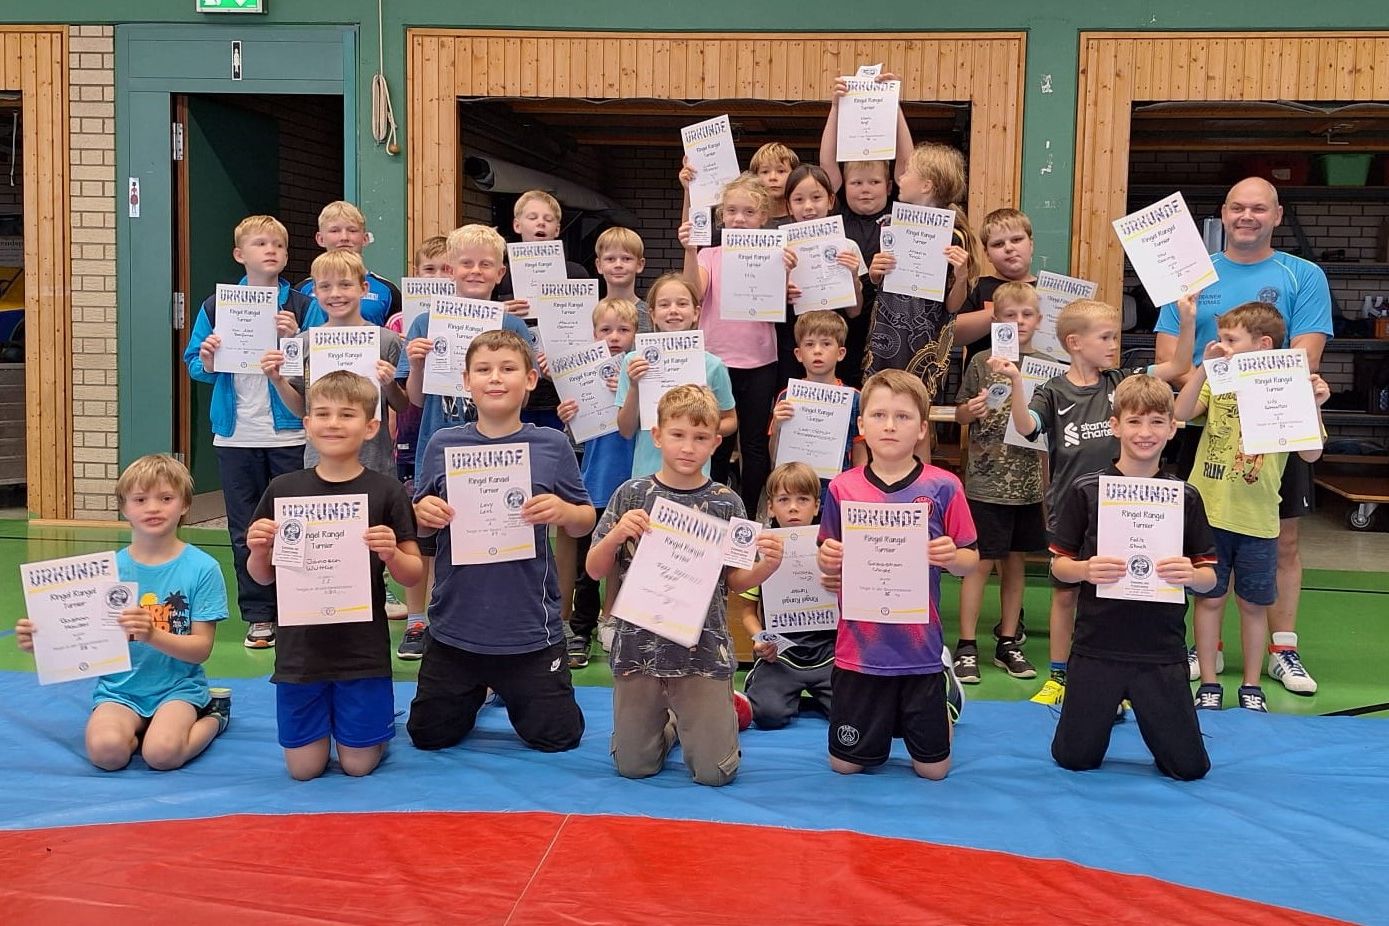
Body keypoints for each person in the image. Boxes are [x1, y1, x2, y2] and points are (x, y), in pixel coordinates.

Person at [1153, 177, 1334, 695]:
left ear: (1277, 215)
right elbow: (1171, 358)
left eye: (1259, 208)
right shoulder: (1191, 276)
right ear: (1224, 213)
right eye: (1237, 207)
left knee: (1282, 539)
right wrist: (1213, 381)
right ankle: (1203, 647)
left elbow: (1305, 356)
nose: (1247, 216)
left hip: (1277, 422)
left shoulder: (1304, 275)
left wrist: (1269, 392)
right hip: (1208, 422)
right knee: (1201, 542)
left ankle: (1282, 648)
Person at [991, 295, 1196, 706]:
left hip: (1123, 509)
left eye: (1115, 337)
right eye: (1105, 337)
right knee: (1066, 593)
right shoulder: (1052, 390)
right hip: (1070, 509)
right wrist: (1015, 383)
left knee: (1116, 594)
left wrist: (1187, 320)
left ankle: (1116, 678)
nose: (1114, 345)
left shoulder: (1119, 381)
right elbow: (1027, 428)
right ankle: (1058, 676)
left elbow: (1176, 366)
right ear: (1075, 342)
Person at [586, 384, 784, 785]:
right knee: (633, 767)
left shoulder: (727, 502)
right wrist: (615, 535)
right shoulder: (631, 494)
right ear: (657, 435)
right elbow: (593, 569)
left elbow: (734, 581)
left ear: (715, 442)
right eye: (677, 435)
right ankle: (674, 725)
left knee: (715, 774)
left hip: (701, 653)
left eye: (700, 437)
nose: (688, 447)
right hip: (638, 648)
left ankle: (706, 716)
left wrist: (767, 567)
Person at [407, 329, 594, 754]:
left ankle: (505, 688)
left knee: (558, 738)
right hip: (456, 628)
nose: (495, 378)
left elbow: (584, 521)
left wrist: (564, 512)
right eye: (483, 370)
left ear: (529, 379)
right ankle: (479, 689)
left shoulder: (551, 444)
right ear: (466, 381)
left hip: (529, 629)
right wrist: (422, 514)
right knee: (429, 736)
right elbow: (420, 522)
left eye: (508, 368)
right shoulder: (442, 444)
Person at [246, 372, 424, 779]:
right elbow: (263, 577)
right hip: (300, 654)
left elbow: (413, 575)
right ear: (307, 424)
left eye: (347, 414)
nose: (334, 423)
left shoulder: (386, 491)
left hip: (360, 652)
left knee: (358, 766)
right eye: (323, 414)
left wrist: (392, 553)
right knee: (303, 770)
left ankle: (367, 732)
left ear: (371, 427)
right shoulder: (282, 490)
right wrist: (259, 550)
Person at [1049, 375, 1218, 781]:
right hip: (1097, 645)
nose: (1145, 432)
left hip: (1160, 650)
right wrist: (1085, 569)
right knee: (1074, 758)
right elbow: (1058, 566)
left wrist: (1191, 575)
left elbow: (1210, 578)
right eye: (1135, 421)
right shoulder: (1087, 490)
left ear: (1172, 428)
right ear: (1115, 426)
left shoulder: (1185, 496)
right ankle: (1105, 707)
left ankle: (1137, 708)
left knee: (1189, 768)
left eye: (1157, 422)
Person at [14, 455, 231, 771]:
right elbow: (81, 638)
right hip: (119, 690)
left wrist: (152, 634)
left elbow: (201, 649)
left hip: (178, 689)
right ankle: (141, 730)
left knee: (162, 755)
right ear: (124, 508)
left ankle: (215, 715)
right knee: (106, 754)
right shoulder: (105, 572)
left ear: (185, 504)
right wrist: (44, 641)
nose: (153, 508)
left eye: (166, 498)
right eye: (140, 499)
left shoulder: (202, 569)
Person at [816, 369, 980, 780]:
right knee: (845, 765)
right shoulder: (842, 488)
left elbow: (971, 560)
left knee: (933, 771)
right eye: (879, 415)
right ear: (861, 425)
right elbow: (827, 555)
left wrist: (951, 556)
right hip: (859, 650)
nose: (890, 425)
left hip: (919, 649)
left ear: (922, 428)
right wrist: (828, 560)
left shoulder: (945, 486)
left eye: (903, 417)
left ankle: (945, 696)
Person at [1174, 302, 1330, 712]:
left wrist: (1314, 403)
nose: (1221, 345)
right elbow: (1180, 412)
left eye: (1230, 340)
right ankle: (1209, 683)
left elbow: (1311, 454)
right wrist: (1204, 368)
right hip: (1209, 513)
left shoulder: (1292, 387)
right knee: (1208, 599)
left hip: (1258, 518)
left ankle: (1251, 685)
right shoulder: (1218, 380)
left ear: (1262, 345)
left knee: (1253, 604)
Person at [394, 224, 535, 660]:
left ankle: (478, 621)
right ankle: (417, 620)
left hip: (496, 454)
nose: (475, 271)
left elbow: (524, 394)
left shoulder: (512, 325)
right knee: (427, 536)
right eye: (466, 263)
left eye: (485, 264)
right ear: (450, 269)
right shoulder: (425, 322)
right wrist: (417, 363)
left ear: (500, 273)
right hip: (438, 447)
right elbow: (415, 399)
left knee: (487, 536)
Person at [184, 214, 311, 650]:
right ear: (240, 254)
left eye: (278, 244)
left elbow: (318, 362)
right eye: (260, 244)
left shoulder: (301, 306)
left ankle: (297, 609)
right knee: (246, 529)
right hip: (236, 435)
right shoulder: (215, 306)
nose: (270, 250)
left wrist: (296, 338)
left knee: (295, 526)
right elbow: (195, 364)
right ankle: (259, 615)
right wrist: (208, 357)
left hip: (289, 434)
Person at [677, 171, 790, 517]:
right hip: (715, 362)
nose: (739, 219)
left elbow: (792, 298)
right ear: (721, 215)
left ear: (764, 217)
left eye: (749, 212)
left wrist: (788, 272)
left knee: (754, 445)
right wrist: (691, 249)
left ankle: (750, 516)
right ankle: (711, 514)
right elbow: (693, 292)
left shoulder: (777, 253)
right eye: (731, 211)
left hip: (759, 361)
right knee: (715, 441)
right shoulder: (709, 255)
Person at [952, 281, 1046, 684]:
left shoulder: (1046, 367)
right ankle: (966, 645)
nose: (1019, 321)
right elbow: (959, 414)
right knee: (978, 563)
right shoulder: (980, 362)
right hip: (985, 482)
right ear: (996, 321)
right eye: (1010, 315)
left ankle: (1008, 641)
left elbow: (1049, 430)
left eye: (1026, 315)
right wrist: (970, 411)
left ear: (1038, 320)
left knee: (1015, 563)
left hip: (1027, 486)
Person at [268, 250, 408, 480]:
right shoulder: (304, 342)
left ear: (363, 288)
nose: (335, 294)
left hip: (375, 463)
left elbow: (401, 405)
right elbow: (302, 410)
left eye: (345, 285)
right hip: (320, 463)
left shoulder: (386, 340)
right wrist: (278, 381)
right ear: (315, 292)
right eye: (325, 286)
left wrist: (389, 384)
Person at [556, 296, 639, 668]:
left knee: (628, 561)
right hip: (596, 480)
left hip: (634, 481)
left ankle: (618, 622)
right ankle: (581, 629)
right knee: (588, 565)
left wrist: (630, 389)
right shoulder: (582, 375)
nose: (615, 336)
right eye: (606, 329)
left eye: (624, 329)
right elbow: (575, 438)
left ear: (636, 334)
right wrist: (568, 416)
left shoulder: (644, 373)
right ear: (593, 334)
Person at [864, 143, 979, 406]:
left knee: (915, 410)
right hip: (885, 335)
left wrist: (961, 276)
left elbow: (952, 307)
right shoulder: (893, 224)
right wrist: (875, 273)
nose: (900, 178)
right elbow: (881, 285)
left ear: (926, 186)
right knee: (879, 403)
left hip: (923, 344)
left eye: (906, 172)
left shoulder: (953, 236)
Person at [820, 70, 915, 386]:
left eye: (874, 182)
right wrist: (836, 107)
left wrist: (893, 105)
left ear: (888, 186)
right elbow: (827, 166)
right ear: (842, 187)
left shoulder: (899, 211)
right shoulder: (837, 214)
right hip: (846, 317)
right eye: (856, 183)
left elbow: (908, 165)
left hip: (889, 317)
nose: (865, 189)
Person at [732, 461, 833, 729]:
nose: (793, 507)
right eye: (784, 499)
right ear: (770, 507)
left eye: (803, 499)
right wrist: (760, 639)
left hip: (828, 653)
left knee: (850, 714)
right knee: (767, 715)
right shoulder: (761, 552)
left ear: (817, 506)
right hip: (780, 655)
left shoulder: (830, 550)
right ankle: (764, 687)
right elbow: (747, 612)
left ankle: (809, 698)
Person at [385, 234, 450, 628]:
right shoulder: (404, 323)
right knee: (418, 524)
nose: (439, 277)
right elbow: (408, 395)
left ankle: (442, 613)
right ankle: (417, 618)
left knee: (448, 528)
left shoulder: (477, 319)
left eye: (447, 270)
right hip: (415, 433)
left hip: (458, 433)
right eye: (431, 270)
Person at [615, 273, 737, 480]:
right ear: (652, 314)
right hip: (647, 474)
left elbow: (731, 420)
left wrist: (701, 426)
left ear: (696, 313)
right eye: (664, 305)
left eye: (682, 304)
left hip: (695, 476)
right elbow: (626, 430)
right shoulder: (633, 362)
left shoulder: (713, 365)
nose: (673, 310)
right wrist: (635, 386)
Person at [493, 189, 592, 433]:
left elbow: (589, 328)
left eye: (548, 219)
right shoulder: (500, 275)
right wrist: (498, 312)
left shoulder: (576, 274)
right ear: (517, 225)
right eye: (533, 217)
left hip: (561, 392)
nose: (541, 223)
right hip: (513, 390)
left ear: (557, 230)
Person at [779, 163, 867, 386]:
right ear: (788, 206)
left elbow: (855, 311)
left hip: (837, 346)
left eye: (816, 197)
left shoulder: (848, 247)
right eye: (799, 200)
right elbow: (769, 312)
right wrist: (782, 291)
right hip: (793, 346)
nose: (808, 206)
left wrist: (853, 277)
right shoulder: (780, 250)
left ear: (830, 200)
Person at [767, 310, 867, 500]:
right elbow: (774, 456)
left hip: (837, 493)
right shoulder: (787, 396)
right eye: (809, 344)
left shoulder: (854, 398)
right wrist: (777, 426)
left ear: (841, 353)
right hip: (795, 492)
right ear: (798, 354)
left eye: (826, 344)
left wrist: (858, 492)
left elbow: (860, 452)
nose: (817, 351)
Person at [952, 207, 1039, 359]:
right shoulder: (976, 287)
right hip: (985, 372)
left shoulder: (1048, 292)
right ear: (987, 254)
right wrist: (1003, 311)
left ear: (1031, 245)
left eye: (1017, 240)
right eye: (998, 244)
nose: (1009, 248)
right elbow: (951, 334)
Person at [298, 200, 400, 328]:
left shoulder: (387, 290)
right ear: (320, 239)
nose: (344, 237)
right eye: (335, 231)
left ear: (365, 238)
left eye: (352, 230)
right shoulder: (302, 290)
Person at [594, 227, 650, 331]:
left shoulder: (652, 315)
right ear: (599, 265)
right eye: (610, 259)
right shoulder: (588, 312)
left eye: (626, 259)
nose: (618, 265)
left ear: (640, 264)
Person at [749, 142, 800, 222]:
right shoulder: (748, 220)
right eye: (765, 172)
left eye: (781, 171)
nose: (773, 177)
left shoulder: (805, 217)